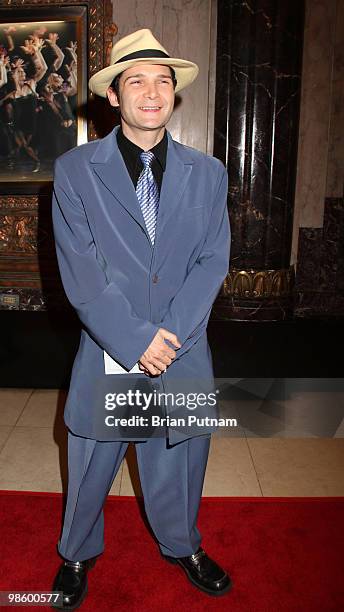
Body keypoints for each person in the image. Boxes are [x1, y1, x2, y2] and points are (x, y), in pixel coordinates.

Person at [51, 28, 231, 609]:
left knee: (180, 457)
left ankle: (183, 544)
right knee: (89, 463)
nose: (151, 93)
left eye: (163, 82)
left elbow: (212, 259)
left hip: (182, 342)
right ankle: (77, 552)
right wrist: (135, 339)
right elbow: (81, 271)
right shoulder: (76, 170)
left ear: (174, 96)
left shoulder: (208, 173)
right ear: (114, 96)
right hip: (111, 344)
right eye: (137, 81)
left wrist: (169, 337)